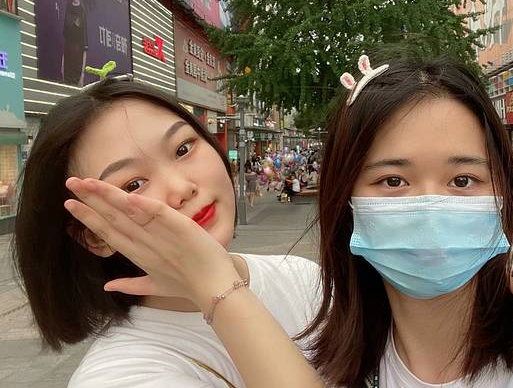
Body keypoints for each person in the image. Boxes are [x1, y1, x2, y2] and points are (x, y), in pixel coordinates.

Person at [300, 57, 513, 387]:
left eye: (462, 180)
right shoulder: (309, 358)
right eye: (393, 181)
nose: (430, 212)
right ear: (344, 198)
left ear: (503, 191)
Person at [12, 79, 323, 388]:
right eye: (133, 185)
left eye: (183, 149)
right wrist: (218, 287)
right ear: (94, 236)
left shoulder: (303, 277)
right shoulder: (117, 377)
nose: (181, 188)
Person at [61, 0, 91, 86]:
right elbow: (65, 39)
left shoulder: (83, 13)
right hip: (67, 61)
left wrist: (82, 75)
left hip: (77, 63)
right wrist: (62, 65)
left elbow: (85, 47)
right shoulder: (67, 6)